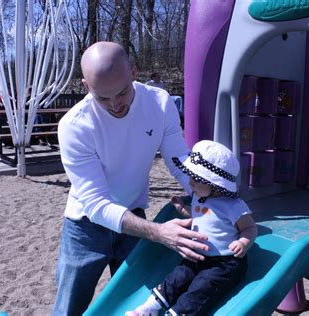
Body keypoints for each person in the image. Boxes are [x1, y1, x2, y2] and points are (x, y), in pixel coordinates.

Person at [53, 41, 210, 315]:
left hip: (133, 216)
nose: (115, 104)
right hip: (85, 228)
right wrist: (160, 232)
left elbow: (179, 160)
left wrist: (207, 197)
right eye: (103, 97)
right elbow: (97, 204)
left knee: (138, 304)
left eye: (122, 92)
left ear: (133, 72)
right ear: (86, 86)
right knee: (69, 308)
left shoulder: (160, 103)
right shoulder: (74, 126)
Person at [126, 140, 258, 315]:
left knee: (201, 288)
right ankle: (150, 308)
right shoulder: (200, 197)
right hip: (198, 256)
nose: (191, 183)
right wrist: (184, 210)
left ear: (214, 184)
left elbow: (250, 227)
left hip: (224, 263)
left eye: (196, 179)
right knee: (176, 278)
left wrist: (243, 242)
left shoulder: (233, 206)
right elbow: (202, 216)